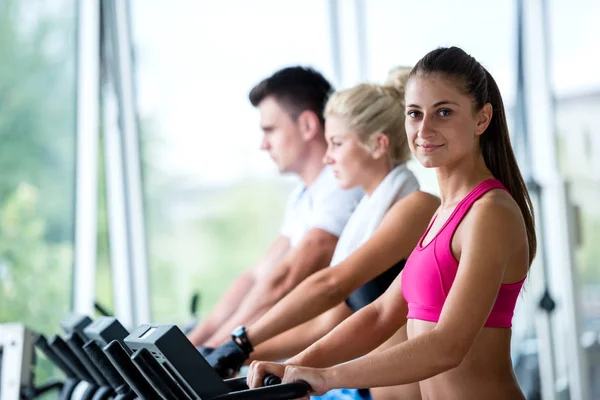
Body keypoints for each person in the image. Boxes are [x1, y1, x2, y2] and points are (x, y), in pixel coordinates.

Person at [247, 46, 537, 400]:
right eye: (415, 113)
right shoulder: (442, 214)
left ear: (482, 118)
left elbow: (447, 345)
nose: (424, 128)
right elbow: (382, 314)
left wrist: (327, 376)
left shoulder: (489, 212)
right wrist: (296, 365)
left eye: (443, 112)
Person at [205, 68, 439, 400]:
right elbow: (327, 322)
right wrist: (239, 356)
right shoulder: (366, 216)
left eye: (337, 143)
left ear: (378, 145)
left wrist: (240, 340)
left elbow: (332, 284)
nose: (328, 157)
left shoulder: (415, 207)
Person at [188, 67, 364, 349]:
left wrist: (219, 348)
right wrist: (194, 342)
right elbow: (257, 277)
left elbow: (285, 280)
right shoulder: (303, 196)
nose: (263, 144)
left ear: (307, 125)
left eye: (270, 129)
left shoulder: (342, 184)